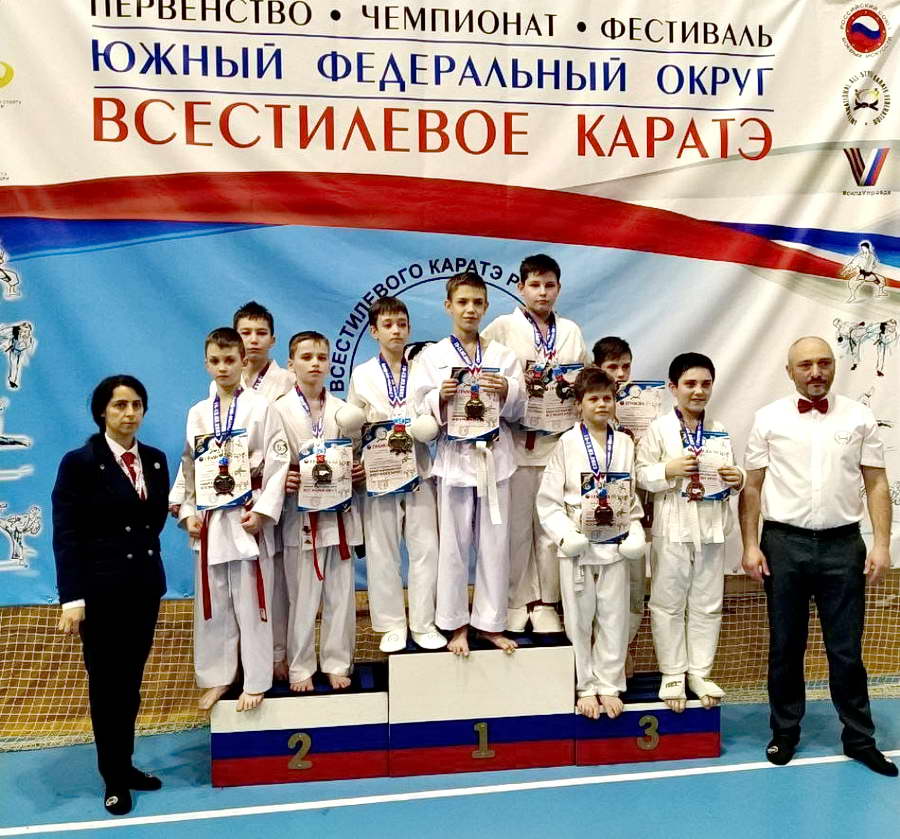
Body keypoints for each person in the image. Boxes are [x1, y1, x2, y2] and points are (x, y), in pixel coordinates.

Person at [739, 336, 896, 776]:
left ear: (834, 367)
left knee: (846, 650)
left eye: (824, 363)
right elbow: (752, 488)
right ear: (789, 371)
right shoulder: (768, 418)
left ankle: (859, 739)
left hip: (843, 545)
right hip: (783, 544)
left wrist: (882, 544)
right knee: (785, 647)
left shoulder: (859, 416)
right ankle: (785, 732)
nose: (815, 372)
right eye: (805, 364)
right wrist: (750, 544)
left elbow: (877, 484)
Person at [52, 375, 170, 816]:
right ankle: (114, 778)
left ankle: (125, 762)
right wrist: (72, 598)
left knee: (130, 686)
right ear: (102, 410)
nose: (129, 413)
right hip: (100, 594)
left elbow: (151, 524)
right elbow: (66, 534)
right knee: (107, 688)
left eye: (137, 404)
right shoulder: (79, 463)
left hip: (144, 589)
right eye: (120, 405)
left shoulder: (155, 460)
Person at [414, 271, 524, 656]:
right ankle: (456, 624)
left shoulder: (502, 356)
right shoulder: (432, 357)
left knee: (495, 544)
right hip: (455, 457)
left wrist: (508, 389)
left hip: (495, 456)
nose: (470, 309)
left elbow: (520, 409)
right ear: (448, 306)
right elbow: (418, 412)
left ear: (486, 306)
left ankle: (490, 624)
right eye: (462, 302)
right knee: (454, 546)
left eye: (477, 302)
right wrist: (438, 397)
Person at [179, 327, 289, 713]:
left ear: (243, 361)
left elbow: (278, 463)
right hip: (211, 519)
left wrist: (262, 512)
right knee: (213, 602)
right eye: (215, 361)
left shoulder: (262, 407)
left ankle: (256, 680)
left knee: (252, 601)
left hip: (246, 515)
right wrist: (187, 512)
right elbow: (189, 465)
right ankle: (218, 677)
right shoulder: (197, 413)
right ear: (206, 364)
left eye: (229, 360)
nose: (223, 367)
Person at [482, 254, 590, 634]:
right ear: (520, 287)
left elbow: (583, 384)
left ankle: (546, 602)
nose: (542, 292)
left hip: (558, 444)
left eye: (549, 285)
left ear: (559, 288)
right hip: (515, 441)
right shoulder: (501, 327)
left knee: (550, 527)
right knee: (516, 529)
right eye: (535, 285)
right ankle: (517, 599)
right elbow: (481, 375)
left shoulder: (571, 331)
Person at [636, 353, 744, 711]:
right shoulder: (659, 429)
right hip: (673, 524)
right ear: (673, 387)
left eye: (705, 384)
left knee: (708, 603)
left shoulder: (718, 428)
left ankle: (699, 672)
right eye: (690, 384)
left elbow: (731, 473)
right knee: (667, 603)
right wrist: (667, 470)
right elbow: (641, 474)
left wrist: (738, 477)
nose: (698, 391)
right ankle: (672, 673)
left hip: (712, 525)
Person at [536, 366, 645, 720]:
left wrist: (635, 531)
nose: (601, 404)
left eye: (607, 398)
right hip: (578, 545)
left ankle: (609, 684)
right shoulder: (566, 444)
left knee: (614, 617)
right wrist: (565, 535)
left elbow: (629, 496)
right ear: (578, 404)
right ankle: (584, 686)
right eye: (593, 399)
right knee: (579, 620)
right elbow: (548, 501)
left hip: (615, 542)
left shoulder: (624, 443)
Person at [348, 297, 445, 652]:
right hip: (378, 473)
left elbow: (436, 416)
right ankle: (391, 625)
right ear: (374, 331)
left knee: (426, 547)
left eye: (402, 324)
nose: (396, 331)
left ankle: (423, 622)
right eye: (388, 325)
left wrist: (429, 426)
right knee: (381, 550)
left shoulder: (423, 370)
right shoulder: (362, 374)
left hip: (417, 466)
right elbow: (352, 424)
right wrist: (354, 459)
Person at [274, 331, 365, 691]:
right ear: (291, 363)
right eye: (306, 356)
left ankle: (337, 662)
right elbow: (271, 461)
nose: (315, 363)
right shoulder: (278, 409)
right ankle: (300, 667)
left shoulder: (344, 410)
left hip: (339, 514)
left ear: (329, 364)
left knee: (340, 594)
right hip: (300, 516)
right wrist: (284, 476)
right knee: (302, 596)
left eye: (321, 357)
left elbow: (356, 454)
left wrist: (358, 471)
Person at [593, 336, 644, 675]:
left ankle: (624, 653)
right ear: (597, 368)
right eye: (613, 367)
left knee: (634, 589)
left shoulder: (643, 408)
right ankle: (598, 663)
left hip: (630, 515)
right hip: (595, 522)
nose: (621, 374)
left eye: (626, 366)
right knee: (599, 594)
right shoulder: (584, 418)